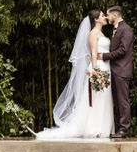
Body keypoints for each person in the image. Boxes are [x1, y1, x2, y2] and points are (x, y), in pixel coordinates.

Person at [36, 10, 114, 139]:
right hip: (99, 67)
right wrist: (95, 72)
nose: (105, 17)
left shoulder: (101, 33)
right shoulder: (93, 34)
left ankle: (102, 127)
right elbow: (93, 53)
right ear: (96, 19)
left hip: (106, 68)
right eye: (102, 15)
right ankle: (94, 128)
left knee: (104, 98)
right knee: (96, 99)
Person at [98, 6, 134, 138]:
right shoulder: (116, 28)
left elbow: (123, 50)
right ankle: (119, 129)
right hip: (114, 69)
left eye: (108, 15)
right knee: (116, 101)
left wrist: (104, 56)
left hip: (121, 70)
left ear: (115, 14)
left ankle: (124, 129)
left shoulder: (126, 29)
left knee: (122, 100)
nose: (107, 17)